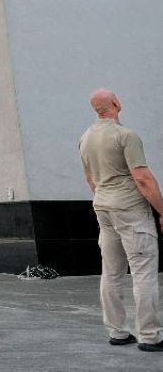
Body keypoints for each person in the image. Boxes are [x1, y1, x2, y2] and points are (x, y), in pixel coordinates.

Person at [79, 89, 163, 352]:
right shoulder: (126, 136)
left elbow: (90, 179)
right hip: (131, 209)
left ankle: (117, 332)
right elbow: (142, 178)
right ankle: (150, 336)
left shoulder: (85, 138)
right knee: (143, 272)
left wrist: (106, 199)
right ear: (116, 103)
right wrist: (162, 211)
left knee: (111, 272)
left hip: (103, 207)